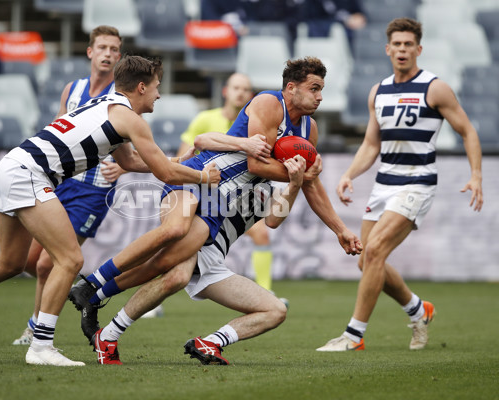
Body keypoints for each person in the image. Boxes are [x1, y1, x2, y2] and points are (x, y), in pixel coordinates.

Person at [0, 54, 221, 367]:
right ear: (141, 87)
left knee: (10, 262)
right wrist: (202, 176)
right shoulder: (131, 120)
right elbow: (165, 176)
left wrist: (178, 163)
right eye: (156, 86)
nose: (159, 94)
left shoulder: (106, 105)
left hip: (10, 165)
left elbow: (129, 162)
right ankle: (41, 346)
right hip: (29, 174)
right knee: (70, 259)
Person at [69, 57, 363, 345]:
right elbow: (256, 165)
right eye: (314, 88)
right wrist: (297, 175)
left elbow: (305, 185)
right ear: (291, 88)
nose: (320, 97)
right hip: (201, 175)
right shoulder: (268, 104)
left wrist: (340, 229)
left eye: (322, 89)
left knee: (174, 271)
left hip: (219, 204)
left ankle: (95, 297)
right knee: (173, 231)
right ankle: (92, 283)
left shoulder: (309, 130)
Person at [316, 18, 483, 352]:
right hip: (383, 184)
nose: (403, 50)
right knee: (367, 260)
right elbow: (370, 145)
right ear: (388, 49)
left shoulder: (434, 88)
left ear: (418, 49)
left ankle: (353, 336)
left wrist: (476, 174)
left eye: (409, 44)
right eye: (398, 44)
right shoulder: (378, 91)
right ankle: (419, 310)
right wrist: (350, 173)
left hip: (417, 182)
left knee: (375, 251)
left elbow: (468, 130)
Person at [93, 148, 306, 365]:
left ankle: (211, 342)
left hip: (213, 260)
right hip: (196, 233)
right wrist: (126, 165)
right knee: (175, 276)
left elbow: (273, 220)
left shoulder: (269, 189)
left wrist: (296, 183)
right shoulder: (234, 160)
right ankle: (105, 325)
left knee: (276, 310)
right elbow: (197, 147)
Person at [11, 25, 127, 346]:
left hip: (94, 189)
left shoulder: (121, 98)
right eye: (102, 47)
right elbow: (58, 130)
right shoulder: (72, 89)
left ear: (119, 57)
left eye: (113, 49)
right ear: (90, 52)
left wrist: (125, 166)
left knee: (49, 262)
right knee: (32, 263)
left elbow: (135, 148)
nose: (107, 53)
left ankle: (37, 329)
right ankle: (87, 289)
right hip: (61, 182)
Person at [176, 72, 280, 300]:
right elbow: (184, 156)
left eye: (245, 89)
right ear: (225, 91)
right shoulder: (205, 119)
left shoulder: (258, 123)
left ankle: (266, 291)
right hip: (204, 194)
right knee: (177, 244)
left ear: (251, 96)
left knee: (262, 233)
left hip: (238, 197)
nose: (240, 92)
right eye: (236, 88)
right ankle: (155, 297)